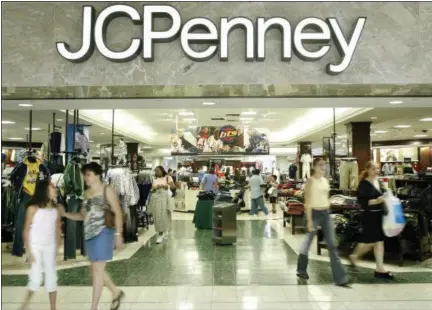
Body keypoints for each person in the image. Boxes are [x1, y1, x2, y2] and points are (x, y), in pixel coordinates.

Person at [59, 162, 125, 310]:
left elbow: (118, 212)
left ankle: (93, 307)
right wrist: (65, 214)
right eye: (85, 175)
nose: (86, 178)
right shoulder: (86, 193)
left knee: (97, 271)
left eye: (88, 175)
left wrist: (118, 234)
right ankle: (116, 292)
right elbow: (83, 216)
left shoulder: (107, 190)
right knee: (95, 270)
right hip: (89, 236)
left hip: (103, 233)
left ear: (97, 175)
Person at [296, 158, 348, 286]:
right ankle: (301, 269)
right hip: (313, 214)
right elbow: (307, 202)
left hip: (326, 214)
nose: (323, 167)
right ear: (314, 166)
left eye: (324, 165)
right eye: (320, 165)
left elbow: (326, 197)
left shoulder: (326, 180)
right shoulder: (310, 181)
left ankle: (340, 278)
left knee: (331, 244)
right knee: (307, 242)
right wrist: (308, 221)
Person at [19, 180, 61, 310]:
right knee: (35, 279)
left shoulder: (56, 209)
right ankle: (23, 306)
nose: (55, 189)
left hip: (50, 247)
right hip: (35, 246)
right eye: (52, 187)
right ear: (45, 190)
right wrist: (28, 251)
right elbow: (26, 230)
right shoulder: (33, 209)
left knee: (51, 279)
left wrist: (58, 248)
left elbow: (58, 229)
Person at [349, 161, 394, 280]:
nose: (376, 171)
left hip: (379, 216)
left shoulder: (378, 182)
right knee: (369, 242)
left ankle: (379, 268)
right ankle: (354, 256)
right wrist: (379, 200)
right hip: (369, 216)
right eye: (374, 169)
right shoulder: (364, 184)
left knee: (379, 241)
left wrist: (387, 195)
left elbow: (383, 195)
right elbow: (364, 203)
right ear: (368, 169)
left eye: (378, 169)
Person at [148, 166, 176, 244]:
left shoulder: (168, 177)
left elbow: (173, 187)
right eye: (155, 171)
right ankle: (160, 232)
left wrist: (167, 186)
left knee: (165, 215)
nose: (156, 172)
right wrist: (155, 188)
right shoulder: (154, 179)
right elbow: (152, 190)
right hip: (156, 198)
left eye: (157, 170)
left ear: (162, 170)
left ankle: (163, 232)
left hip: (164, 198)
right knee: (157, 216)